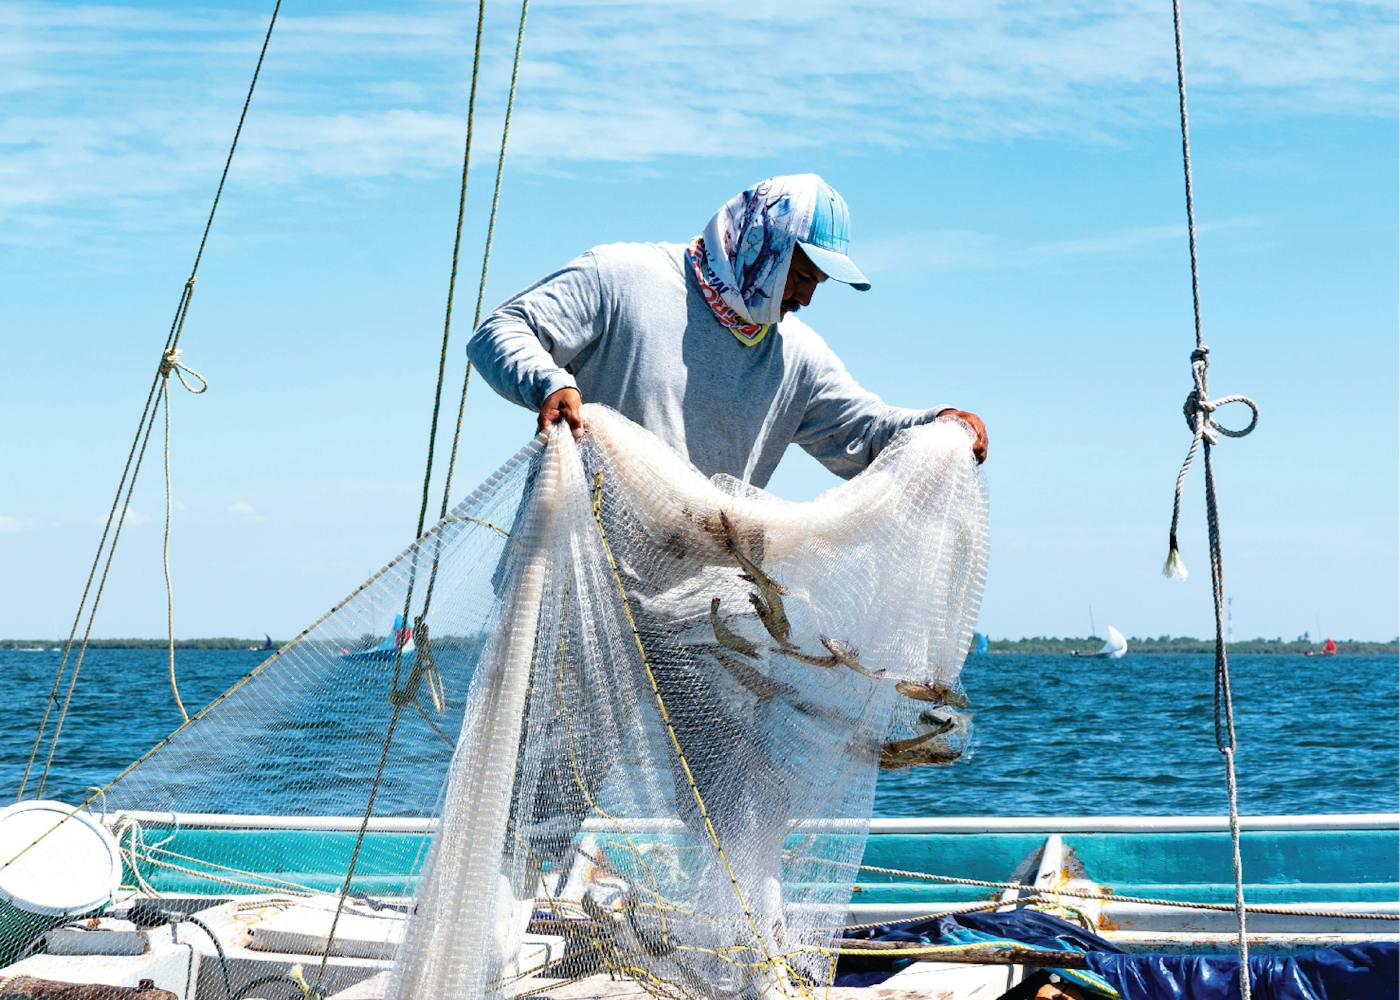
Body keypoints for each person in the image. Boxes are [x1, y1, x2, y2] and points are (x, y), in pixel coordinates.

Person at [468, 173, 987, 486]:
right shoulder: (622, 277)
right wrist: (549, 384)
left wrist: (939, 425)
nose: (806, 298)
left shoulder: (796, 359)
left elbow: (865, 434)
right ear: (764, 244)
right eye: (801, 276)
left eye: (818, 284)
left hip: (697, 613)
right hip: (571, 589)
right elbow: (501, 330)